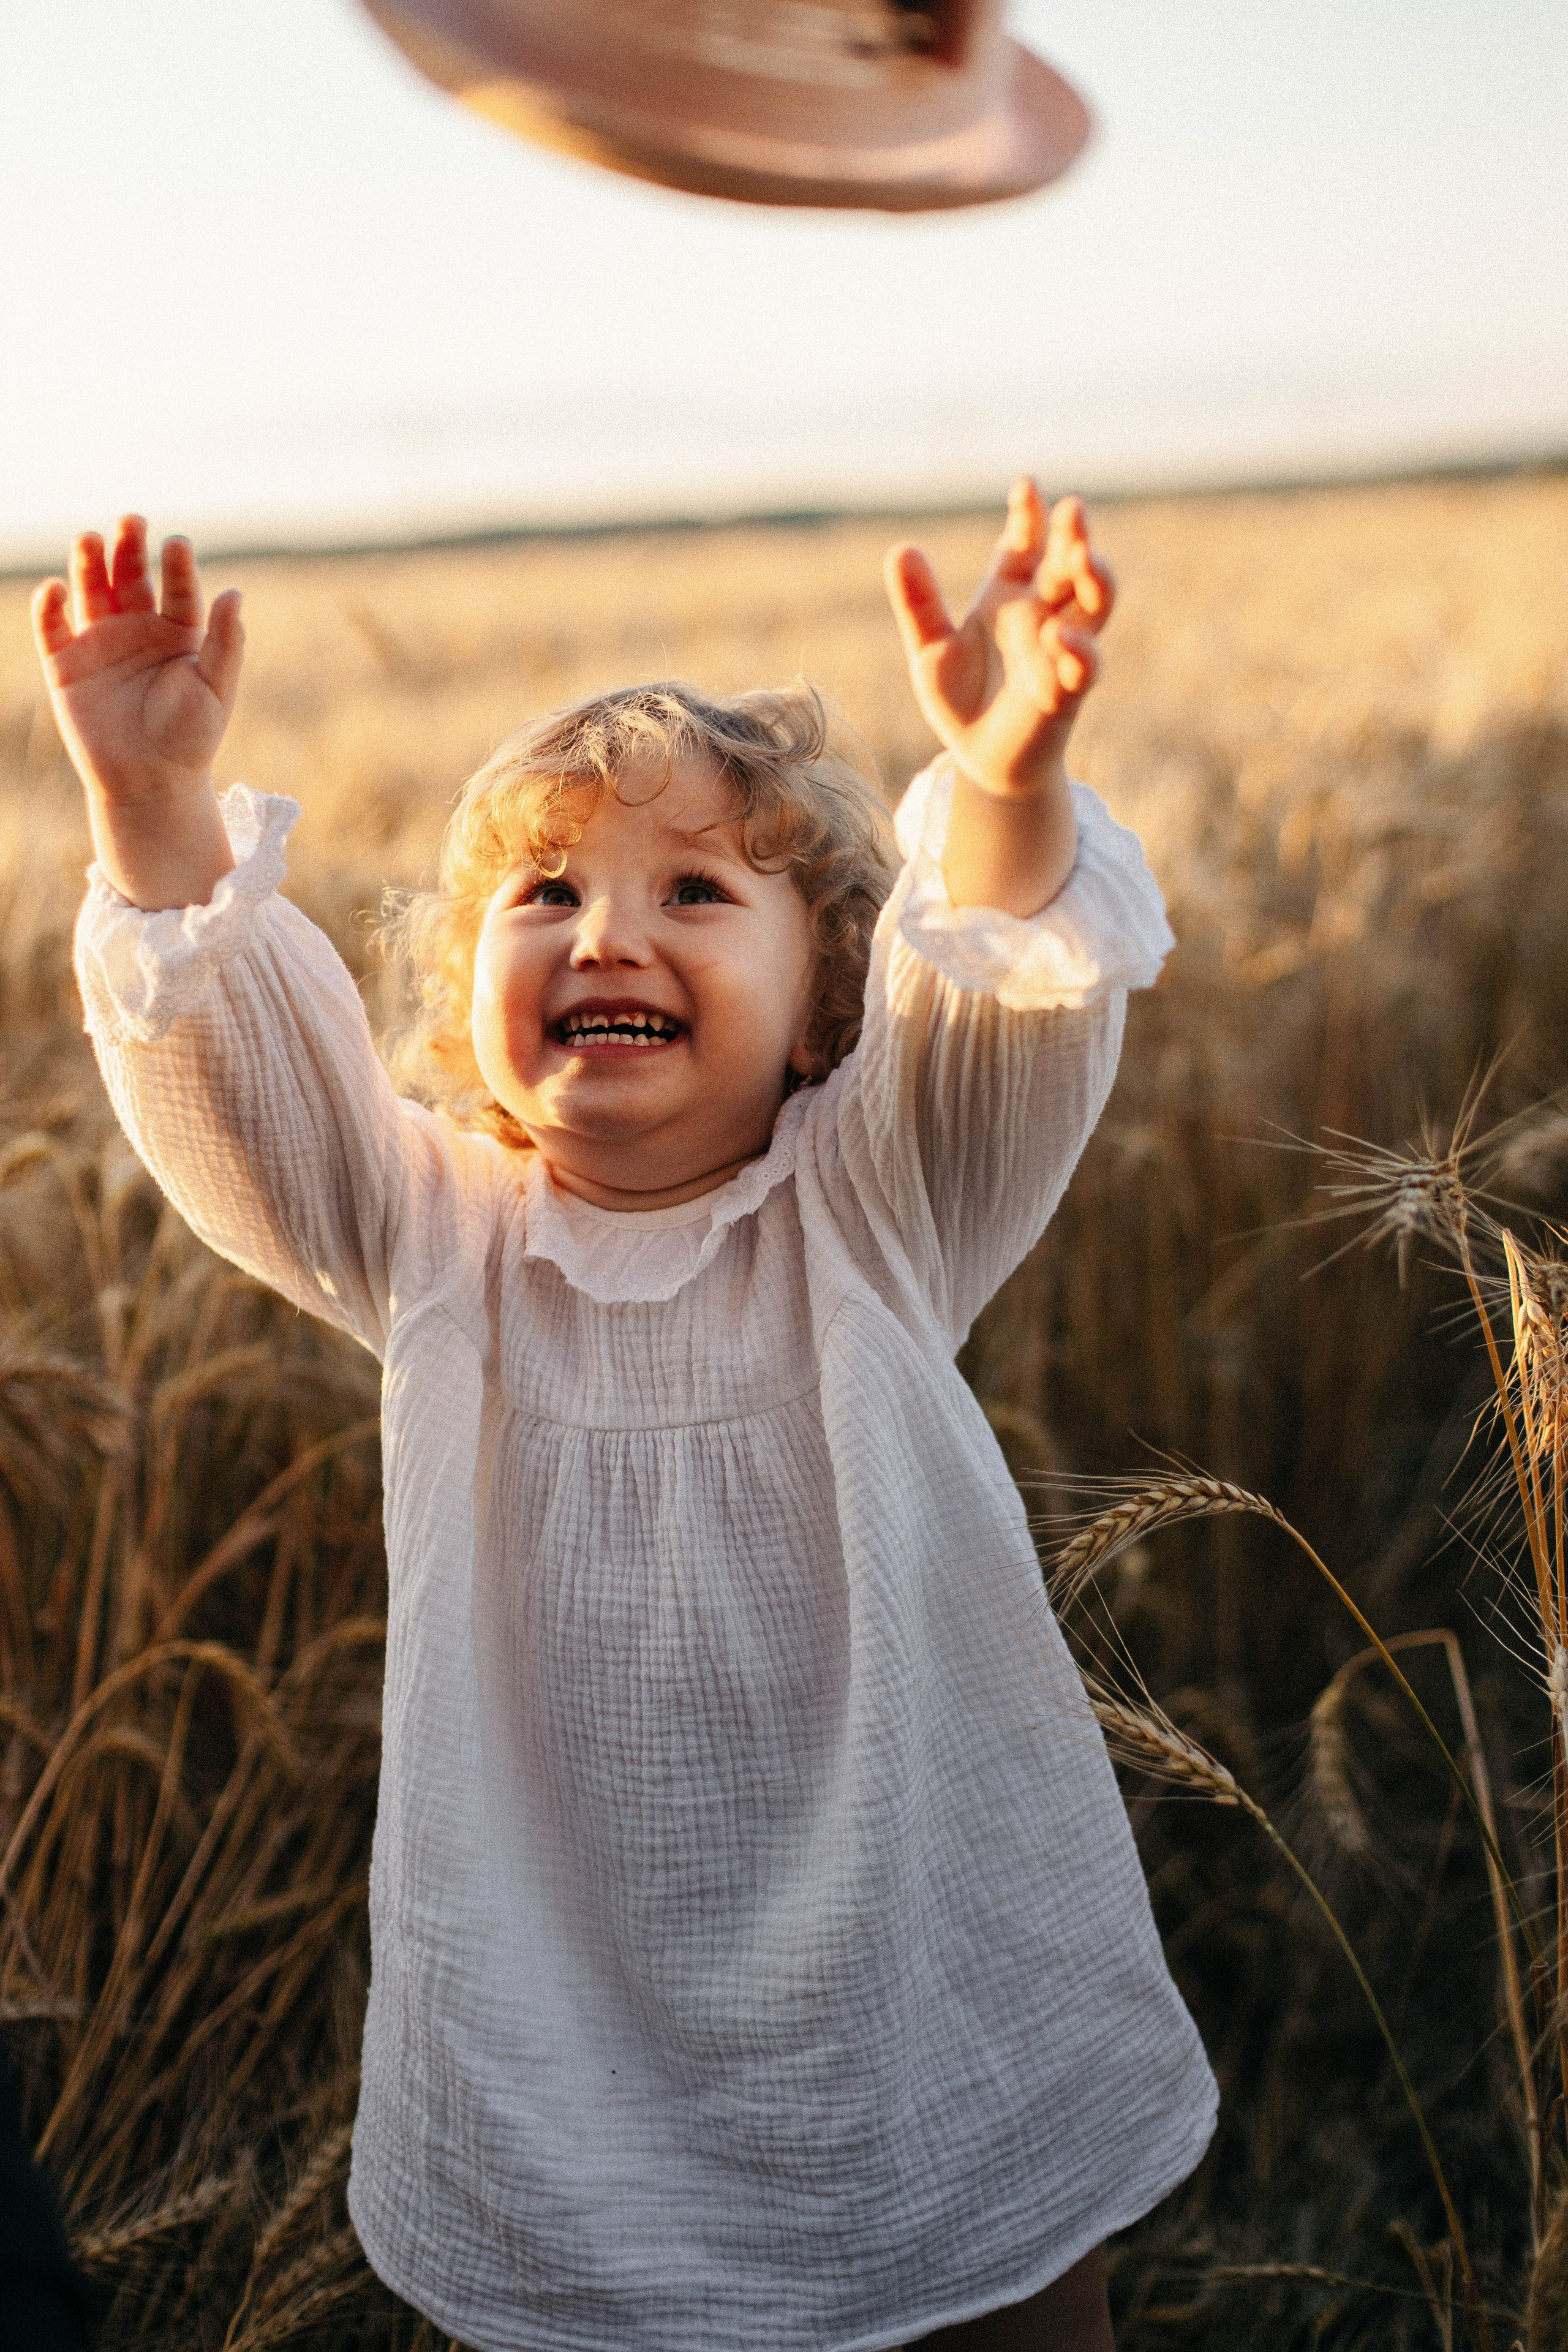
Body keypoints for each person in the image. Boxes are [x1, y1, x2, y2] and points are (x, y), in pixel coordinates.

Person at [34, 481, 1215, 2352]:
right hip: (563, 2032)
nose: (606, 934)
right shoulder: (433, 1240)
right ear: (467, 994)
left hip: (928, 1959)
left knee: (998, 2286)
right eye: (546, 893)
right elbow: (228, 1075)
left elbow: (1003, 991)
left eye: (693, 893)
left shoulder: (883, 1201)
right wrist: (154, 810)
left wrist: (1000, 782)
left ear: (826, 1000)